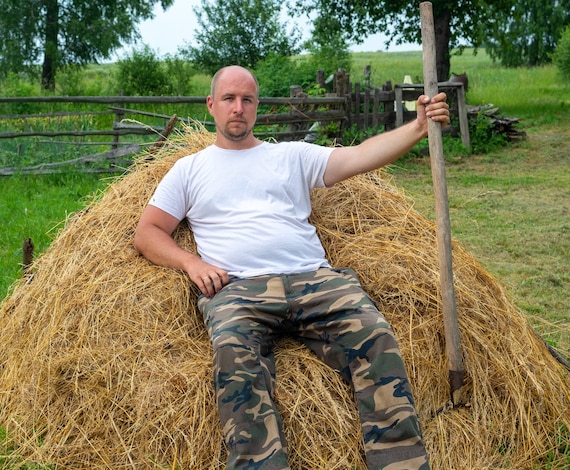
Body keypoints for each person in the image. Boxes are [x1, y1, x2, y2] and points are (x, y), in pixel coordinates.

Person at [134, 65, 450, 470]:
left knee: (375, 336)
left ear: (257, 107)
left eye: (247, 100)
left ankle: (401, 464)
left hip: (315, 281)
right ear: (211, 105)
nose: (238, 108)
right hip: (239, 290)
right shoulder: (189, 170)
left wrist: (417, 127)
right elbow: (148, 232)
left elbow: (357, 157)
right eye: (229, 99)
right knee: (233, 356)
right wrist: (190, 262)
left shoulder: (290, 156)